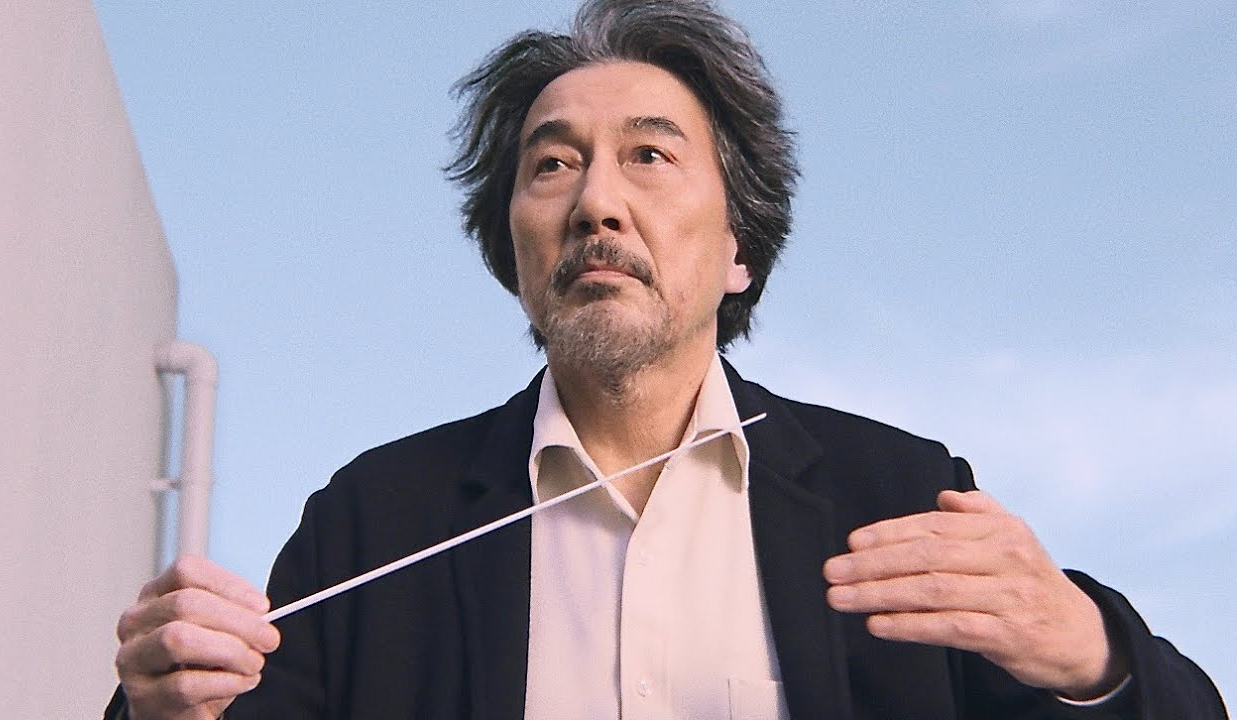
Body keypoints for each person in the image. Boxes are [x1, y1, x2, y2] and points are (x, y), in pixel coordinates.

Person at [106, 1, 1226, 718]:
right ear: (514, 252)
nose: (597, 200)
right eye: (553, 165)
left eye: (649, 155)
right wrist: (161, 705)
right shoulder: (376, 517)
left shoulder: (893, 496)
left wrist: (1089, 656)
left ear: (738, 249)